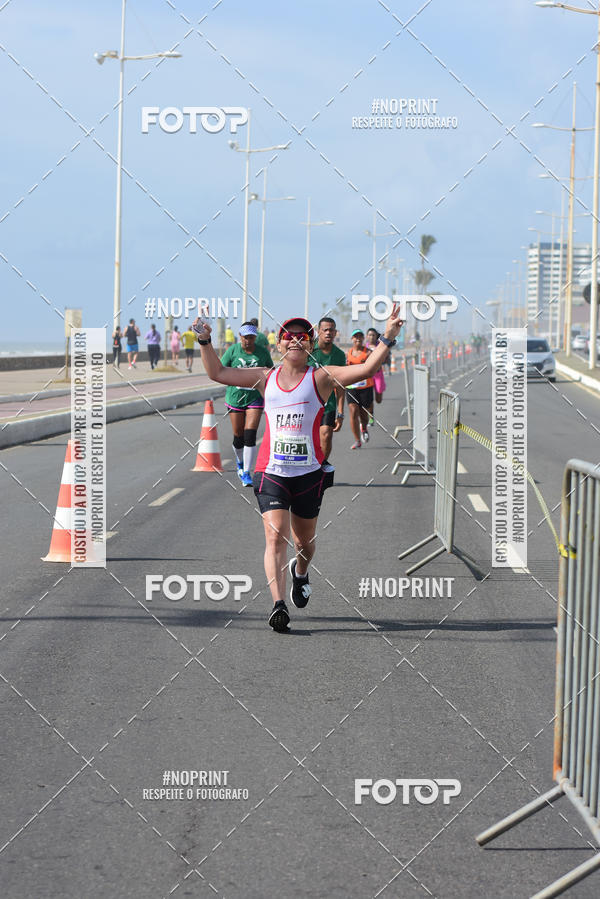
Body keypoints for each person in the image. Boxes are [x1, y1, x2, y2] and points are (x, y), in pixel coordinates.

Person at [193, 307, 404, 631]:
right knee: (275, 535)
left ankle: (301, 572)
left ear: (310, 344)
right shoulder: (265, 377)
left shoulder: (321, 378)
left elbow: (366, 369)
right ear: (279, 344)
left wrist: (387, 336)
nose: (295, 340)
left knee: (304, 543)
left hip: (308, 475)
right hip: (271, 471)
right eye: (288, 336)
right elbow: (218, 372)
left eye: (302, 336)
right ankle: (278, 605)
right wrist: (205, 341)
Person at [219, 322, 273, 486]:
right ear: (240, 336)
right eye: (245, 337)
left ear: (255, 337)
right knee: (239, 436)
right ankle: (240, 463)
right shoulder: (233, 351)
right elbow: (220, 370)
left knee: (250, 435)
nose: (248, 341)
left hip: (255, 397)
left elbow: (271, 371)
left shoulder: (262, 352)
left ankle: (247, 473)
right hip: (235, 397)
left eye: (251, 337)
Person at [308, 316, 346, 468]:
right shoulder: (308, 351)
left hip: (327, 404)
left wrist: (340, 413)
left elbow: (341, 386)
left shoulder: (339, 355)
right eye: (325, 330)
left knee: (326, 435)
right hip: (307, 404)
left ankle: (320, 466)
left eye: (331, 330)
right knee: (307, 439)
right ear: (319, 331)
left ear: (335, 332)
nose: (328, 333)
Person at [346, 329, 373, 449]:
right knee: (353, 411)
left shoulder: (369, 353)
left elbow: (375, 367)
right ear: (352, 339)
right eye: (355, 336)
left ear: (363, 338)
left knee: (363, 414)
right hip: (351, 386)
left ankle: (364, 428)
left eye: (360, 336)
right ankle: (357, 440)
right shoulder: (347, 354)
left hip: (366, 386)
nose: (357, 338)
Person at [366, 327, 388, 413]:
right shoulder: (364, 347)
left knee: (378, 400)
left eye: (373, 335)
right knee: (369, 398)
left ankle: (371, 413)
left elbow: (385, 358)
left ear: (376, 336)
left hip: (378, 374)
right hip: (367, 375)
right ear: (367, 336)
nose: (371, 337)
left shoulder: (380, 346)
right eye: (370, 335)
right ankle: (371, 416)